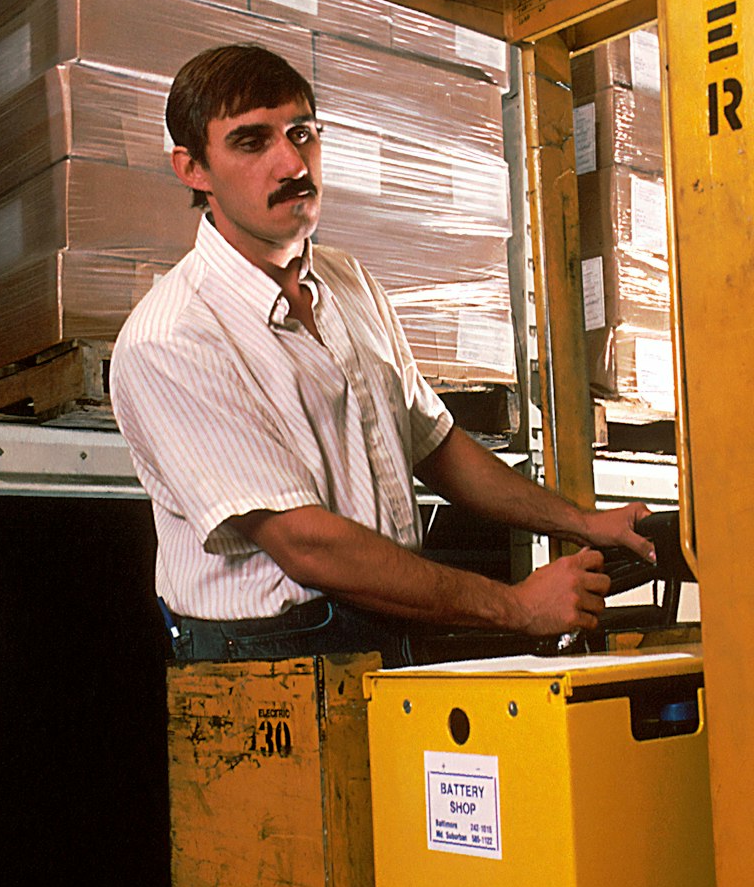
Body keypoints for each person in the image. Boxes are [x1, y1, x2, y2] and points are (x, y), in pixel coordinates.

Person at [115, 43, 654, 665]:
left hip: (389, 620)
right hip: (269, 657)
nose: (292, 162)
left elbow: (435, 443)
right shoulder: (174, 337)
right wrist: (517, 606)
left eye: (302, 133)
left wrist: (582, 523)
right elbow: (305, 546)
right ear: (193, 169)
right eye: (251, 142)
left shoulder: (349, 282)